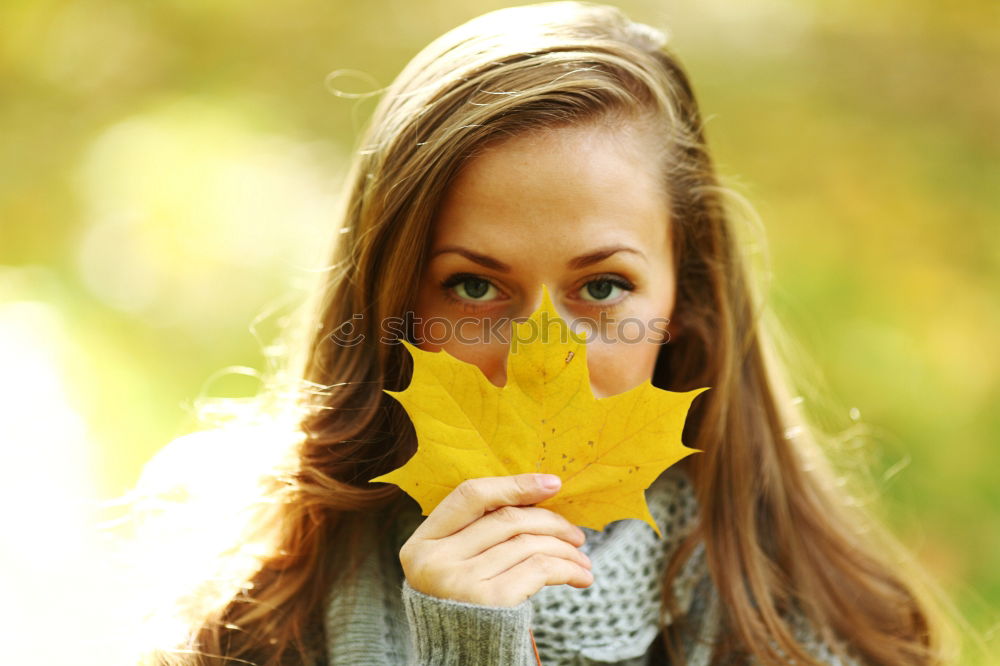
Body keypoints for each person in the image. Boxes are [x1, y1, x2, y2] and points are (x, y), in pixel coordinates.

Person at [132, 2, 955, 664]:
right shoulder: (248, 626)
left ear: (687, 301)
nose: (540, 353)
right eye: (475, 285)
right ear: (390, 306)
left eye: (601, 287)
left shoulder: (815, 629)